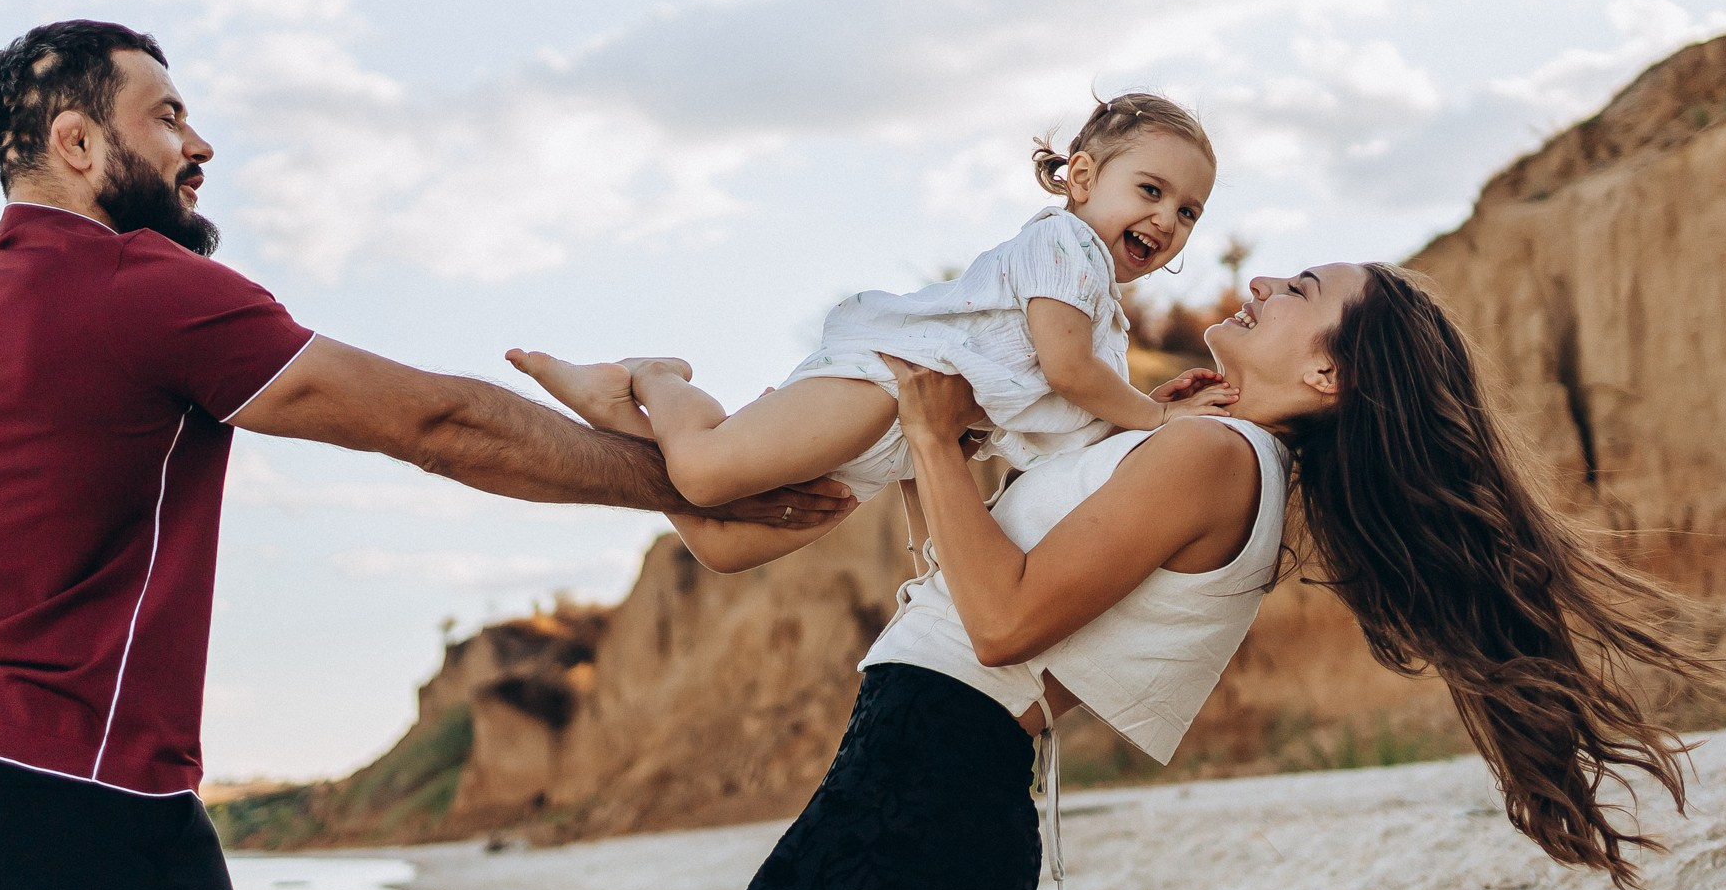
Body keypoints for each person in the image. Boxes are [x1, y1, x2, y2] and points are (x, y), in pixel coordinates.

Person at [0, 20, 851, 890]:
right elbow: (433, 419)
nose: (198, 144)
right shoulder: (133, 285)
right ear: (75, 141)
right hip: (78, 796)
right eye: (166, 117)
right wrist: (699, 477)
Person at [670, 262, 1711, 890]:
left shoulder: (1219, 459)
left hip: (917, 804)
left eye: (1298, 292)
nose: (1262, 285)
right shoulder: (1210, 450)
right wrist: (1073, 442)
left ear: (1328, 377)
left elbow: (1001, 624)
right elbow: (974, 591)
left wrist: (938, 438)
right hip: (907, 798)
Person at [507, 93, 1237, 565]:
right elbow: (1066, 372)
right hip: (879, 386)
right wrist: (1161, 418)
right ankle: (657, 376)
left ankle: (612, 408)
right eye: (1151, 190)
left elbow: (1007, 431)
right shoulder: (1064, 248)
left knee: (723, 547)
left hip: (902, 443)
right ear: (1082, 180)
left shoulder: (1100, 307)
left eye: (1189, 211)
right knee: (702, 471)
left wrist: (933, 538)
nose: (1167, 219)